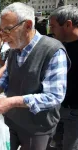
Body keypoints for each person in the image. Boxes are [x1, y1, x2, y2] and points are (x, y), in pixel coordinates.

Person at [0, 2, 70, 150]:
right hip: (12, 120)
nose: (3, 37)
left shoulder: (53, 51)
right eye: (1, 31)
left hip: (37, 128)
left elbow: (54, 96)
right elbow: (7, 75)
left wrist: (11, 102)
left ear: (28, 25)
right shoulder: (14, 47)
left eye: (8, 30)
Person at [49, 5, 78, 150]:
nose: (50, 31)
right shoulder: (59, 46)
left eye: (53, 26)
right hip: (57, 110)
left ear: (68, 24)